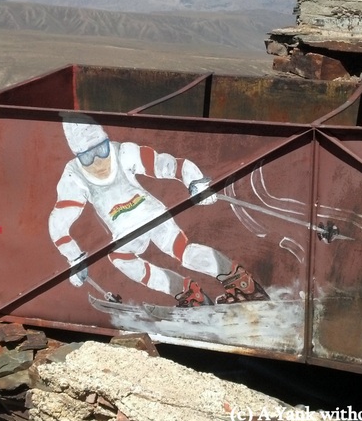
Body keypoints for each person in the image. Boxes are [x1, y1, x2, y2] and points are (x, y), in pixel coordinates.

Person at [48, 112, 268, 307]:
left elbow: (171, 165)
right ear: (78, 156)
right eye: (88, 156)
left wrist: (196, 183)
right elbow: (58, 223)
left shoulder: (123, 152)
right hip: (124, 232)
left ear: (107, 141)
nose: (98, 162)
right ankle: (188, 293)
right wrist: (75, 259)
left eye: (101, 150)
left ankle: (242, 284)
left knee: (182, 251)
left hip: (152, 215)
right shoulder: (73, 175)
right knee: (122, 259)